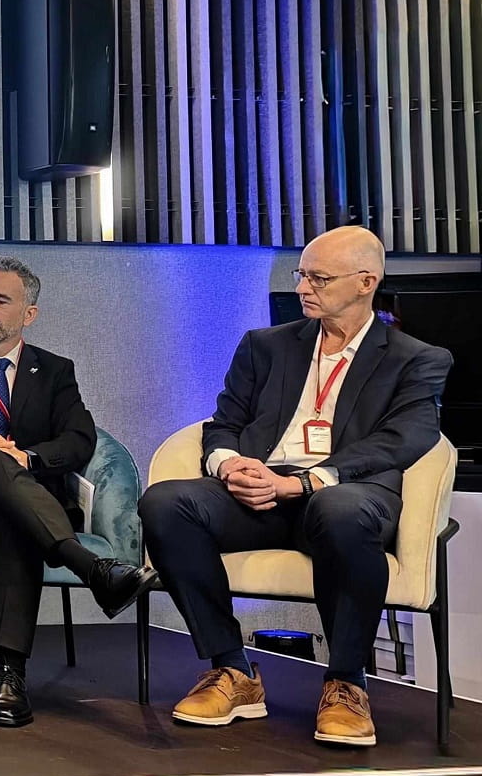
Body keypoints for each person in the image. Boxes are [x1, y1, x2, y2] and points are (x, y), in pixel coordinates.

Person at [139, 226, 452, 748]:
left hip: (347, 492)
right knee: (166, 502)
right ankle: (232, 669)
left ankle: (347, 683)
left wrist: (305, 481)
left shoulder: (416, 358)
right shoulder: (265, 346)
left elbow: (406, 438)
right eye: (302, 274)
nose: (303, 287)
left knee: (339, 509)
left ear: (366, 281)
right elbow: (223, 423)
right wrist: (230, 466)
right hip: (260, 491)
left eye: (319, 278)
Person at [0, 256, 149, 728]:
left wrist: (28, 458)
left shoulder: (55, 371)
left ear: (29, 313)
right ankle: (92, 568)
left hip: (22, 500)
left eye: (1, 300)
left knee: (14, 514)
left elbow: (79, 439)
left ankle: (10, 673)